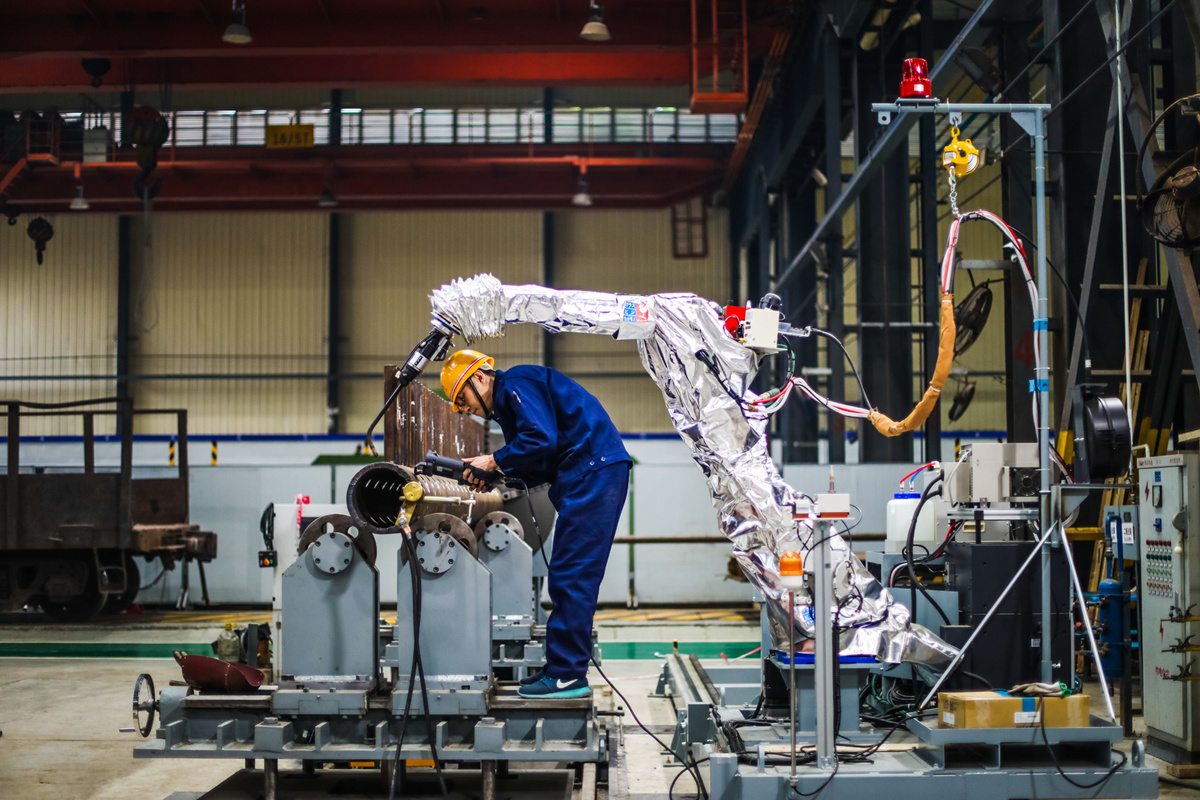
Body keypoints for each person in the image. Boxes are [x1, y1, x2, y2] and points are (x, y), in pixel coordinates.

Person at [440, 349, 631, 699]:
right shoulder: (508, 407)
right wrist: (495, 475)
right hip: (585, 474)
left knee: (572, 574)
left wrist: (494, 460)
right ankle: (560, 668)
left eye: (462, 399)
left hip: (593, 472)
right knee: (565, 574)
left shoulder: (516, 380)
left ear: (479, 376)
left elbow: (540, 438)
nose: (463, 409)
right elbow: (539, 461)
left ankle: (568, 676)